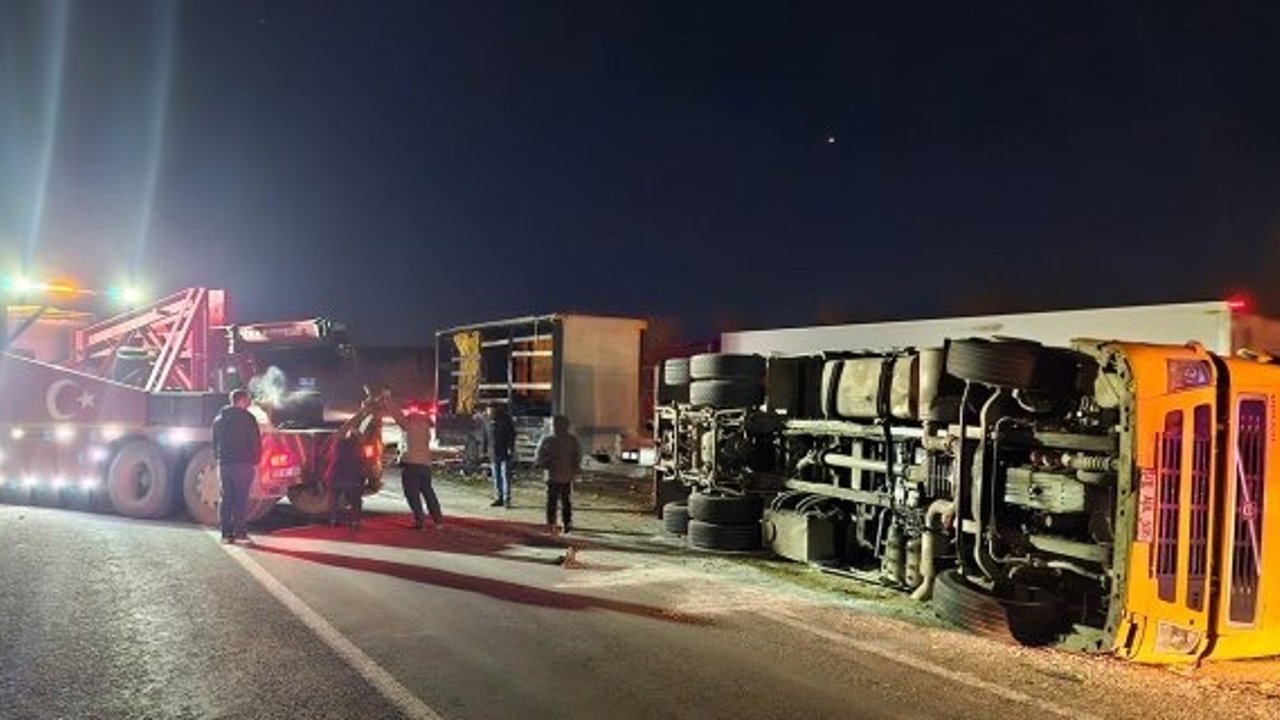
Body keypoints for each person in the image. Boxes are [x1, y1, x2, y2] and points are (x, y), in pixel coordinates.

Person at [211, 389, 261, 543]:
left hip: (225, 465)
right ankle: (240, 534)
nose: (250, 402)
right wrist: (256, 461)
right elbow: (256, 442)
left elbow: (214, 444)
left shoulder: (219, 419)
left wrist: (219, 459)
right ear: (242, 400)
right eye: (248, 399)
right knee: (241, 499)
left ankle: (226, 534)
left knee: (226, 498)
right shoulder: (249, 419)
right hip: (244, 464)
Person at [390, 398, 443, 529]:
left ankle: (420, 521)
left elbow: (397, 415)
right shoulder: (425, 425)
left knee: (412, 494)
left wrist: (387, 400)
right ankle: (438, 520)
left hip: (411, 465)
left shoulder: (409, 423)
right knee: (428, 492)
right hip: (425, 464)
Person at [534, 415, 581, 534]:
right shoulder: (571, 440)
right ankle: (565, 523)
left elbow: (539, 455)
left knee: (553, 501)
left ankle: (552, 523)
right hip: (564, 475)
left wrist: (541, 463)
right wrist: (575, 468)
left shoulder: (548, 440)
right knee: (564, 501)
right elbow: (577, 456)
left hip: (553, 475)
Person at [328, 429, 365, 528]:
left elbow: (333, 461)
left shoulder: (340, 445)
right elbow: (360, 465)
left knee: (334, 499)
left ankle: (333, 519)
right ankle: (355, 521)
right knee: (355, 501)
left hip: (337, 477)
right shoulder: (358, 449)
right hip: (351, 479)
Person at [486, 405, 516, 507]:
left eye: (491, 411)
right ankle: (499, 498)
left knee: (505, 477)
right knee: (496, 477)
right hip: (494, 453)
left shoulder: (505, 421)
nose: (489, 413)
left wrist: (510, 448)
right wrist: (485, 450)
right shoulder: (489, 422)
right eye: (488, 412)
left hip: (504, 453)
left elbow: (511, 435)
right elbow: (486, 436)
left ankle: (506, 499)